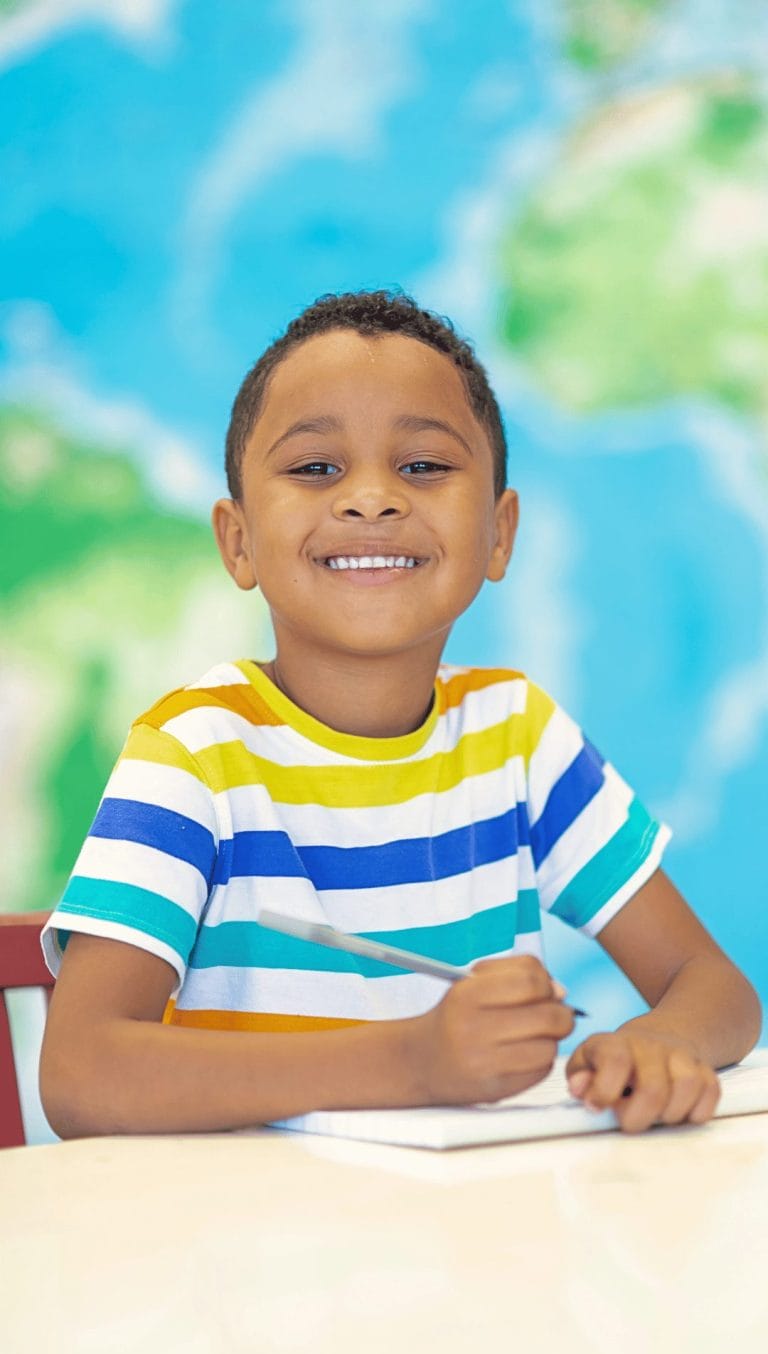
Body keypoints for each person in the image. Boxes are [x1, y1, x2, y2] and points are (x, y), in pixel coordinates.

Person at [39, 290, 761, 1139]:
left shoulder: (518, 737)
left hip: (475, 1245)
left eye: (422, 466)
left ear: (499, 532)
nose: (372, 498)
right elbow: (81, 1074)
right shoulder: (192, 756)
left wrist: (659, 1041)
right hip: (246, 1249)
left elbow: (715, 986)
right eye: (316, 468)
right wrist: (409, 1062)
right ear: (238, 542)